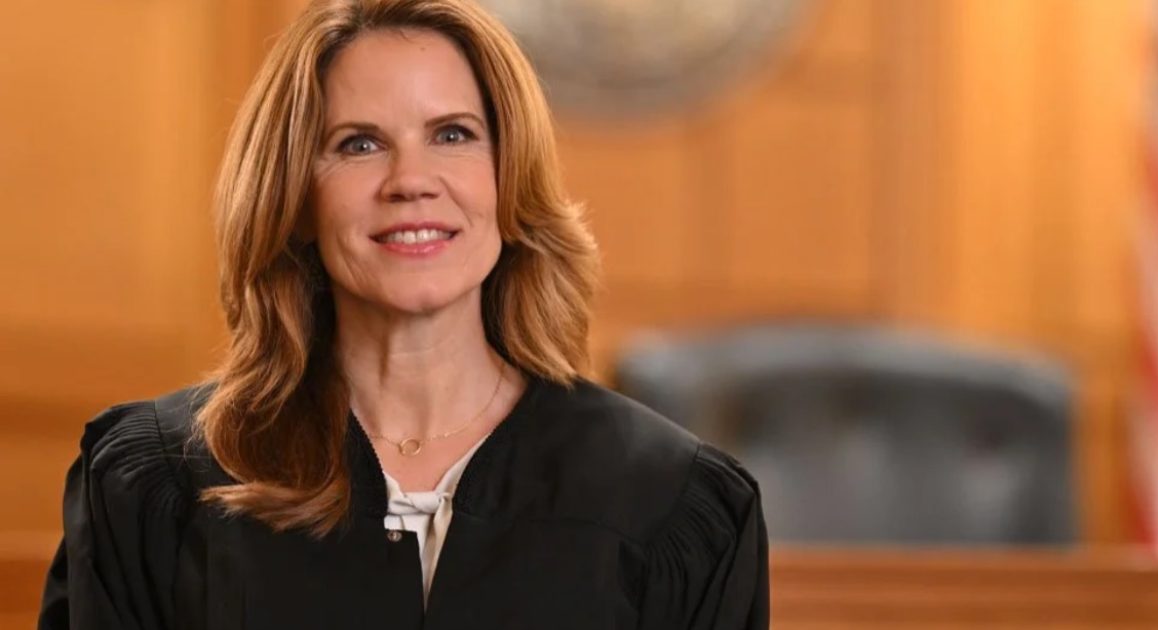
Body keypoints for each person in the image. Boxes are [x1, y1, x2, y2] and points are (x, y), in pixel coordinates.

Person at [38, 0, 769, 628]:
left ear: (508, 178)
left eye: (453, 134)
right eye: (358, 144)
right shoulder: (155, 485)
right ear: (296, 199)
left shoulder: (671, 502)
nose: (411, 181)